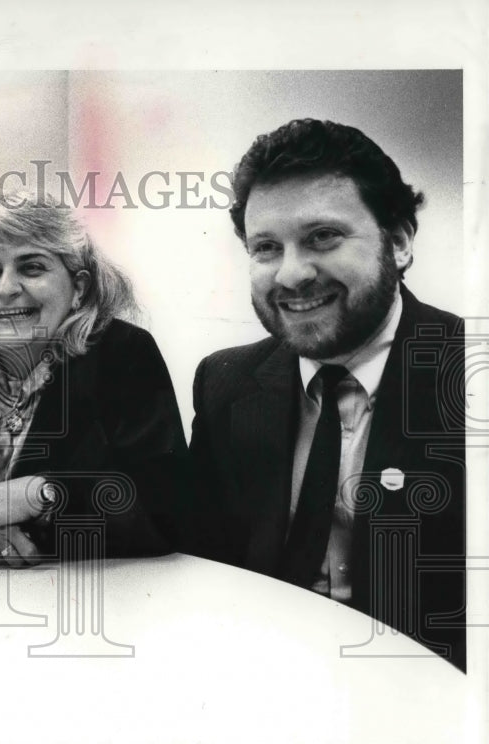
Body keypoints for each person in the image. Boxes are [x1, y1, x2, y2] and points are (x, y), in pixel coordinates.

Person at [190, 119, 466, 670]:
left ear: (400, 241)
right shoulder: (224, 382)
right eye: (266, 247)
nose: (290, 275)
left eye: (323, 237)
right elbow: (205, 563)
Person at [0, 190, 192, 565]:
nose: (6, 289)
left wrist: (33, 495)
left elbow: (162, 510)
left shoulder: (124, 354)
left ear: (79, 287)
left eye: (31, 267)